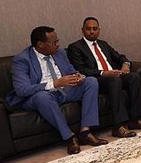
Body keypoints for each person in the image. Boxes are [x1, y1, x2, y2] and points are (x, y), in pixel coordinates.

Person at [6, 26, 108, 155]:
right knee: (42, 96)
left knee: (91, 81)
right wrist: (54, 84)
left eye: (57, 40)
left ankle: (85, 132)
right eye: (54, 42)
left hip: (63, 90)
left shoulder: (59, 53)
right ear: (40, 44)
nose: (58, 45)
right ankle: (70, 137)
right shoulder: (22, 60)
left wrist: (78, 76)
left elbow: (70, 71)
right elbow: (22, 89)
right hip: (40, 96)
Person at [67, 17, 141, 138]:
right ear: (82, 30)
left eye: (95, 29)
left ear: (99, 30)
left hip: (113, 76)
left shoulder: (103, 44)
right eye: (88, 29)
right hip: (97, 80)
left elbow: (120, 57)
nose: (92, 32)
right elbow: (81, 69)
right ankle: (119, 126)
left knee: (134, 77)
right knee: (115, 80)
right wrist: (103, 73)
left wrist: (125, 64)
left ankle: (135, 119)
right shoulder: (75, 47)